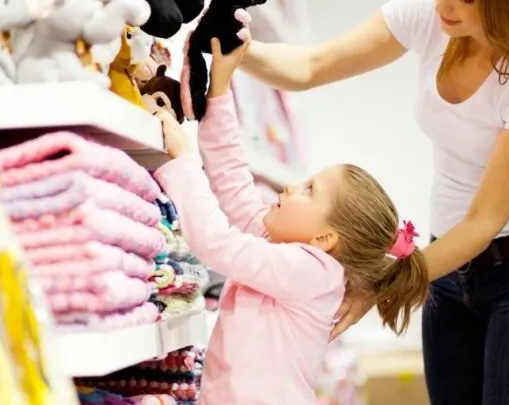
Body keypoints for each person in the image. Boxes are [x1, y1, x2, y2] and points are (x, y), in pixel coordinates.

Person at [239, 0, 509, 404]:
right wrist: (237, 48)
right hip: (447, 272)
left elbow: (481, 223)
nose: (444, 4)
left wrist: (383, 284)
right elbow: (311, 66)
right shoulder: (432, 17)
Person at [153, 33, 429, 404]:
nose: (291, 187)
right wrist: (219, 87)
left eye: (310, 190)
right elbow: (232, 178)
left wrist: (183, 161)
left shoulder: (311, 271)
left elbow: (217, 244)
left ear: (324, 239)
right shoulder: (281, 247)